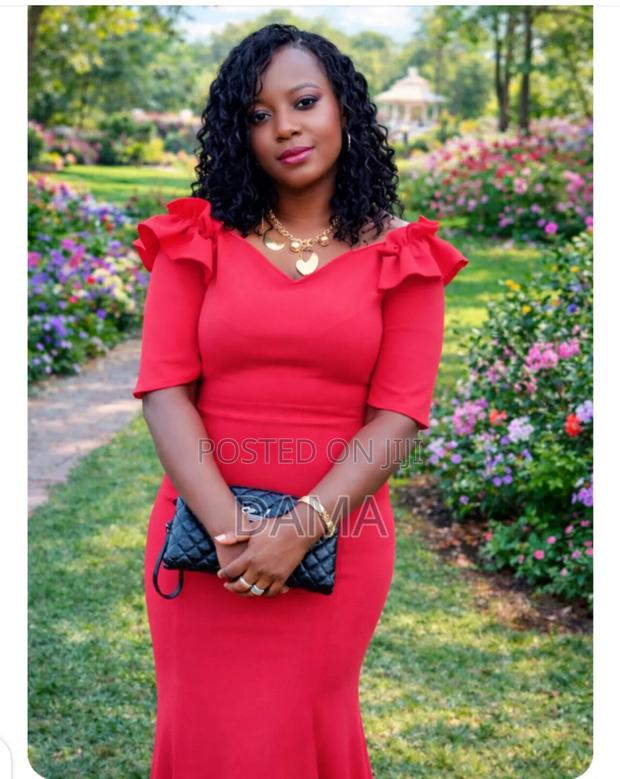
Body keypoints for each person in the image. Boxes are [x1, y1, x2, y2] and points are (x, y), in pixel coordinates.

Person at [132, 23, 468, 779]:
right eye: (259, 114)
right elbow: (163, 390)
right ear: (239, 133)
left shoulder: (405, 257)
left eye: (304, 101)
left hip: (340, 540)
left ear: (344, 106)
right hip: (200, 541)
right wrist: (231, 532)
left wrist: (299, 531)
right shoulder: (195, 239)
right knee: (205, 726)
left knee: (306, 725)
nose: (284, 126)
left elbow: (398, 416)